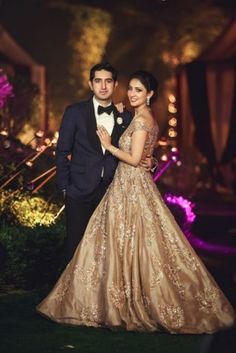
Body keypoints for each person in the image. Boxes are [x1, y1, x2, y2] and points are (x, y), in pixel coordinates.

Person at [37, 70, 235, 333]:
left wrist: (108, 144)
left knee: (131, 243)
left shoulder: (141, 120)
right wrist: (148, 159)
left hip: (129, 186)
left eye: (138, 90)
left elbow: (133, 157)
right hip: (116, 186)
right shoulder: (130, 116)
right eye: (130, 88)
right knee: (120, 244)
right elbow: (139, 152)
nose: (131, 93)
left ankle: (121, 303)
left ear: (150, 93)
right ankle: (105, 299)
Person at [56, 62, 149, 263]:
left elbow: (138, 149)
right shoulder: (75, 112)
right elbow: (62, 151)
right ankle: (74, 295)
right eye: (98, 81)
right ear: (91, 85)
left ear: (115, 85)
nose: (103, 86)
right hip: (78, 192)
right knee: (76, 252)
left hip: (112, 194)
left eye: (108, 81)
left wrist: (152, 161)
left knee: (107, 255)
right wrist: (65, 187)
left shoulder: (126, 117)